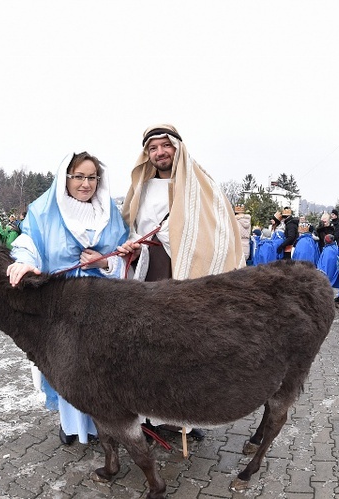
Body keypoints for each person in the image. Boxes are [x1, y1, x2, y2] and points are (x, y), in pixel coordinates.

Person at [118, 124, 245, 441]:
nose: (159, 152)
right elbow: (130, 227)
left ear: (177, 147)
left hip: (188, 275)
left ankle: (185, 418)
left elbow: (218, 231)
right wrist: (133, 244)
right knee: (148, 348)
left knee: (187, 349)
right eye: (153, 148)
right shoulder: (142, 188)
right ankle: (149, 415)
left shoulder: (201, 184)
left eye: (165, 146)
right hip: (151, 272)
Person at [8, 151, 128, 445]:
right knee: (67, 367)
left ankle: (103, 425)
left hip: (102, 306)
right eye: (79, 177)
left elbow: (127, 256)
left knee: (100, 368)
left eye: (91, 178)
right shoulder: (44, 212)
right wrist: (22, 261)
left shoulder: (110, 214)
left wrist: (104, 262)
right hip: (61, 307)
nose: (85, 184)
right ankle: (72, 426)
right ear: (66, 178)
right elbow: (28, 242)